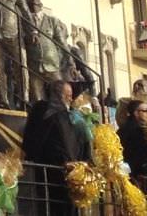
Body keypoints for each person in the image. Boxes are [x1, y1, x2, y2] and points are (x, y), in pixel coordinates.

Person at [24, 78, 89, 216]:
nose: (70, 100)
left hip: (54, 172)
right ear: (60, 95)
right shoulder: (56, 115)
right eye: (68, 96)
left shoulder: (43, 111)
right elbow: (63, 144)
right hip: (57, 173)